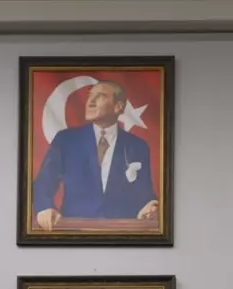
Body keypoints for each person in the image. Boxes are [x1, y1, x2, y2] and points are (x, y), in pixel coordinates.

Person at [32, 80, 159, 230]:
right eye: (90, 96)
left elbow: (145, 192)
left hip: (121, 233)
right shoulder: (66, 140)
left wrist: (151, 206)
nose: (90, 102)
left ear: (118, 107)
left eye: (100, 96)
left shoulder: (137, 146)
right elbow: (43, 183)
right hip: (74, 231)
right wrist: (44, 208)